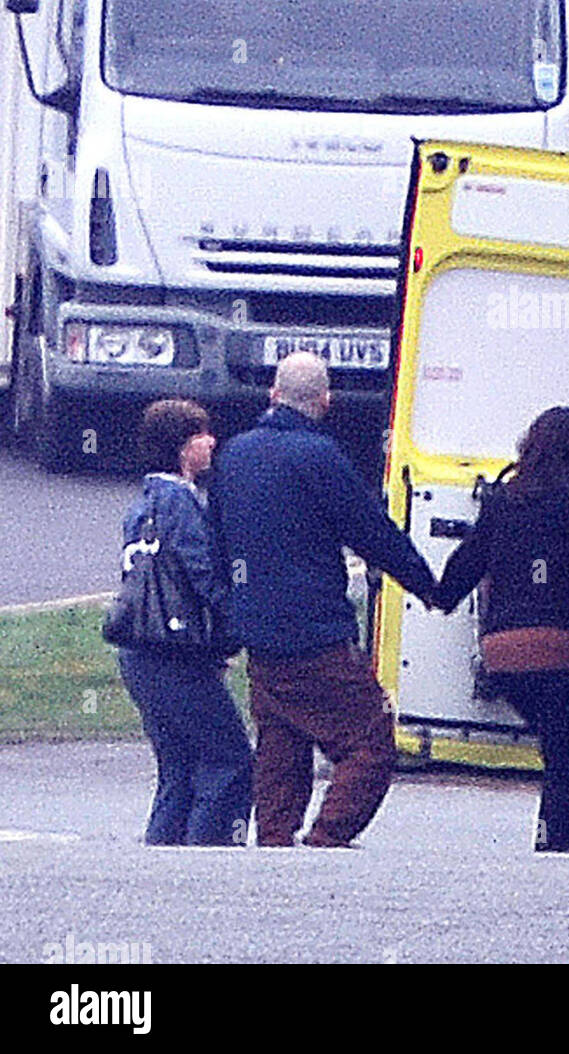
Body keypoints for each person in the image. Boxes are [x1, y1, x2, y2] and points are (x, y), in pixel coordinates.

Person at [208, 352, 436, 848]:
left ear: (273, 394)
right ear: (325, 402)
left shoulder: (234, 456)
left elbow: (217, 546)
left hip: (258, 636)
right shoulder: (321, 457)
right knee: (370, 740)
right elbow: (370, 532)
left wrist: (229, 617)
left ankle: (274, 839)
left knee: (282, 744)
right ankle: (327, 839)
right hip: (315, 633)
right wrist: (427, 585)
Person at [432, 407, 569, 853]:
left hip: (507, 656)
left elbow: (459, 573)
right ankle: (566, 855)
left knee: (564, 750)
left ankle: (555, 848)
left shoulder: (504, 501)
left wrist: (435, 592)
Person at [116, 399, 252, 846]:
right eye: (201, 435)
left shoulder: (142, 506)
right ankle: (207, 858)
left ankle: (163, 858)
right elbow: (206, 580)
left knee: (178, 766)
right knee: (227, 758)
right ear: (182, 448)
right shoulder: (181, 505)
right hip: (175, 658)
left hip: (141, 654)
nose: (212, 442)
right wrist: (241, 628)